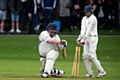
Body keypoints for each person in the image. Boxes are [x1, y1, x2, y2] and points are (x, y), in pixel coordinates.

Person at [76, 5, 106, 78]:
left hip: (93, 37)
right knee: (85, 56)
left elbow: (89, 30)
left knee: (92, 55)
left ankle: (102, 72)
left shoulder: (93, 19)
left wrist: (83, 39)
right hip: (87, 38)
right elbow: (83, 29)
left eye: (88, 12)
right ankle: (90, 73)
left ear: (91, 11)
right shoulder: (84, 19)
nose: (87, 13)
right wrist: (79, 38)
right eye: (86, 12)